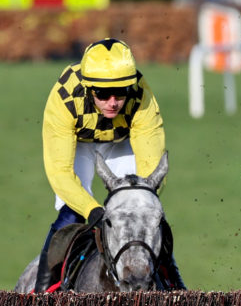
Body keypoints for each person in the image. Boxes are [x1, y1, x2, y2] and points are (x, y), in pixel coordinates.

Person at [35, 38, 185, 292]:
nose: (113, 102)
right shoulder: (64, 99)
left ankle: (175, 284)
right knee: (72, 213)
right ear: (88, 88)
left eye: (120, 93)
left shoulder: (142, 96)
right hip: (79, 143)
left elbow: (152, 165)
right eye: (103, 95)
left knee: (147, 212)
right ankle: (40, 293)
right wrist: (92, 208)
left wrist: (143, 200)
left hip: (120, 140)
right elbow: (60, 172)